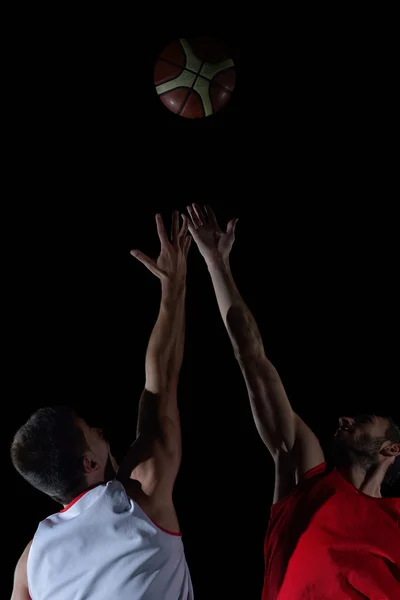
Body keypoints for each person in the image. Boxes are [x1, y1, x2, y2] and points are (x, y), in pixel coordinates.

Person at [186, 203, 400, 600]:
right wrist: (216, 263)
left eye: (366, 419)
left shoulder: (395, 522)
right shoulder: (305, 476)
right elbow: (251, 358)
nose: (347, 418)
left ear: (391, 449)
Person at [10, 212, 194, 600]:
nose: (99, 429)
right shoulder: (137, 500)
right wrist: (172, 287)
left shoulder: (32, 560)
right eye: (88, 429)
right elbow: (160, 384)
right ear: (89, 464)